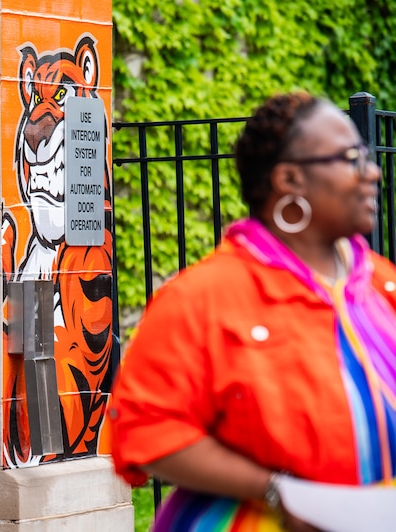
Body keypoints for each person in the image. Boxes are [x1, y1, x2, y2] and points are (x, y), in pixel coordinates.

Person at [110, 92, 396, 531]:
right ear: (290, 179)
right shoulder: (201, 298)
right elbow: (146, 431)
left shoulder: (381, 284)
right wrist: (279, 491)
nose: (372, 171)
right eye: (350, 158)